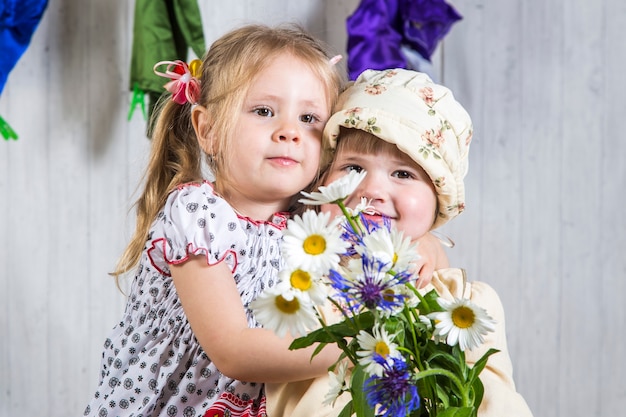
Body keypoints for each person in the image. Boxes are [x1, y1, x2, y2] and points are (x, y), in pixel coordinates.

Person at [83, 23, 348, 417]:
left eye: (310, 118)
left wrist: (426, 247)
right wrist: (352, 344)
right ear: (208, 131)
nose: (290, 132)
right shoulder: (197, 215)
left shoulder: (313, 226)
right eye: (263, 111)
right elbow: (234, 352)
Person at [266, 69, 533, 417]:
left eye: (403, 174)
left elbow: (494, 401)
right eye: (352, 168)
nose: (372, 191)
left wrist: (427, 247)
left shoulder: (458, 302)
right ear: (321, 183)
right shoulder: (296, 278)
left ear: (438, 201)